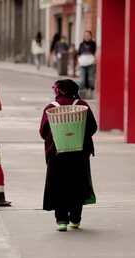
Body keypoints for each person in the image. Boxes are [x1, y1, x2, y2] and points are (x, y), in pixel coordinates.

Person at [40, 79, 97, 232]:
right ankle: (75, 219)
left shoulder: (51, 108)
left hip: (57, 154)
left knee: (59, 185)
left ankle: (62, 221)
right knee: (78, 184)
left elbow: (43, 132)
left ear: (59, 91)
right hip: (79, 154)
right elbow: (92, 127)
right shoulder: (82, 105)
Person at [78, 31, 97, 96]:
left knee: (91, 80)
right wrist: (78, 63)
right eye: (85, 35)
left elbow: (95, 53)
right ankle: (82, 94)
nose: (86, 37)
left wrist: (95, 60)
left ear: (91, 36)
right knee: (82, 80)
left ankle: (90, 93)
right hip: (82, 64)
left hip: (91, 63)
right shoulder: (81, 44)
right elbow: (79, 54)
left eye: (88, 35)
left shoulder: (93, 44)